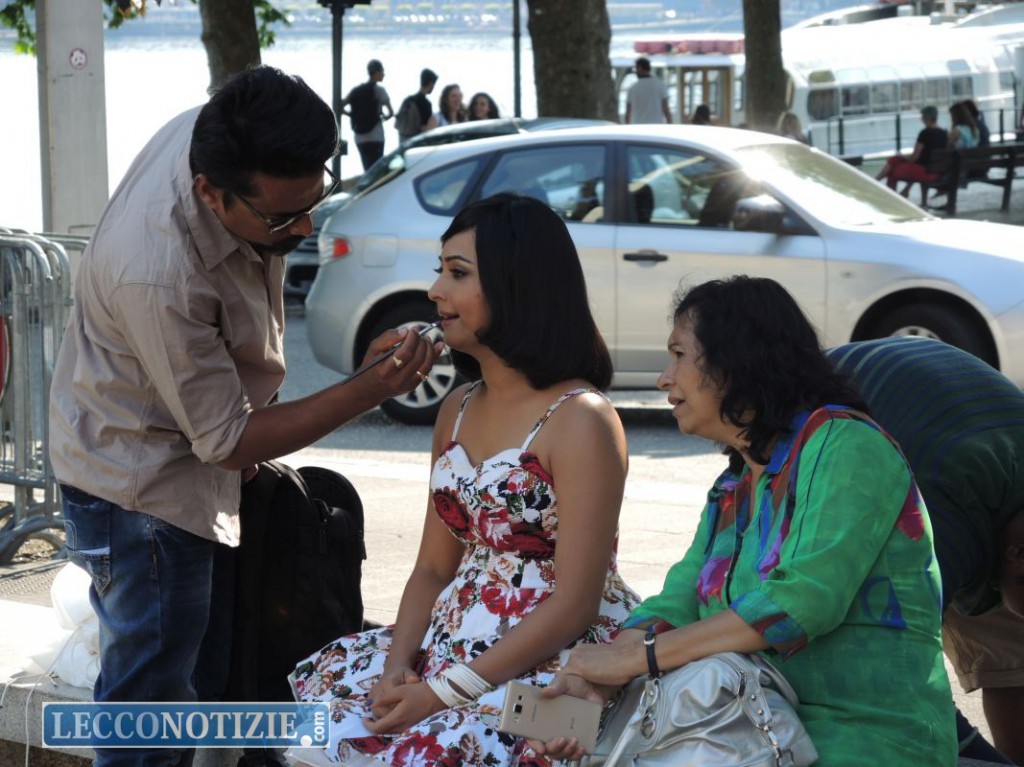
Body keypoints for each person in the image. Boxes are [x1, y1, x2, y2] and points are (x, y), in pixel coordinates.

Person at [48, 65, 443, 767]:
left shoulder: (226, 131)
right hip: (141, 490)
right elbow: (228, 439)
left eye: (315, 199)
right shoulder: (158, 270)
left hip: (180, 465)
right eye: (282, 219)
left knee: (200, 677)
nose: (305, 227)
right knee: (149, 705)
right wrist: (365, 389)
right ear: (210, 191)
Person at [530, 276, 957, 766]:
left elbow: (800, 602)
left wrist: (631, 659)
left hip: (863, 738)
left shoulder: (848, 445)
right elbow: (678, 601)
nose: (664, 379)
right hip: (750, 727)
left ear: (736, 359)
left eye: (679, 355)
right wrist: (597, 679)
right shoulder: (736, 484)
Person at [288, 193, 641, 766]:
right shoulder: (456, 408)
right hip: (450, 642)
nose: (434, 291)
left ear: (516, 283)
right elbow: (433, 567)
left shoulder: (582, 418)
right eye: (441, 271)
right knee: (324, 721)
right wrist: (397, 667)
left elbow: (575, 604)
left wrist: (439, 694)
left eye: (457, 273)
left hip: (551, 658)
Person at [828, 336, 1024, 764]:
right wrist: (981, 758)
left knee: (1014, 649)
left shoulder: (998, 524)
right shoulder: (940, 529)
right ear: (1014, 556)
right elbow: (894, 666)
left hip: (940, 413)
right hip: (830, 402)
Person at [874, 105, 948, 201]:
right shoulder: (944, 133)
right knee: (894, 160)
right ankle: (895, 190)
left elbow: (914, 158)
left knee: (893, 168)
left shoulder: (925, 133)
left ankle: (885, 192)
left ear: (928, 117)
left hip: (924, 172)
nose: (921, 118)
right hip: (936, 171)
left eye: (922, 116)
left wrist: (902, 157)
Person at [343, 58, 394, 171]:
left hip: (360, 137)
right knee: (377, 171)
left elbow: (340, 107)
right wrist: (384, 117)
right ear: (376, 72)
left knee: (367, 170)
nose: (383, 74)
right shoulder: (380, 91)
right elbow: (391, 113)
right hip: (376, 136)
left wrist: (351, 115)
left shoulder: (356, 91)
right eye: (382, 71)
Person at [395, 67, 438, 143]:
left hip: (403, 140)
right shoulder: (426, 104)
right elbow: (426, 129)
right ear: (431, 84)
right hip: (416, 142)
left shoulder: (407, 100)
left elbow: (397, 123)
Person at [625, 56, 671, 125]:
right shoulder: (660, 85)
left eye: (636, 69)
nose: (635, 72)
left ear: (640, 68)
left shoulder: (632, 88)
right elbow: (666, 110)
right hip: (657, 126)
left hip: (637, 127)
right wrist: (669, 126)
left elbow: (628, 113)